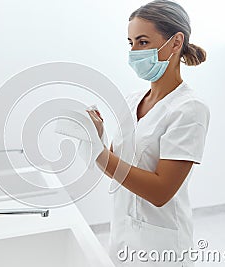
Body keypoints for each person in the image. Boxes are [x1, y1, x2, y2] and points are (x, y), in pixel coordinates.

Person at [86, 0, 210, 266]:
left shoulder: (189, 109)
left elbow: (161, 191)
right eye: (130, 43)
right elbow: (124, 162)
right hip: (122, 236)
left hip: (162, 248)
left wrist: (98, 156)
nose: (134, 52)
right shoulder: (133, 100)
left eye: (142, 42)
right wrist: (98, 137)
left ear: (176, 43)